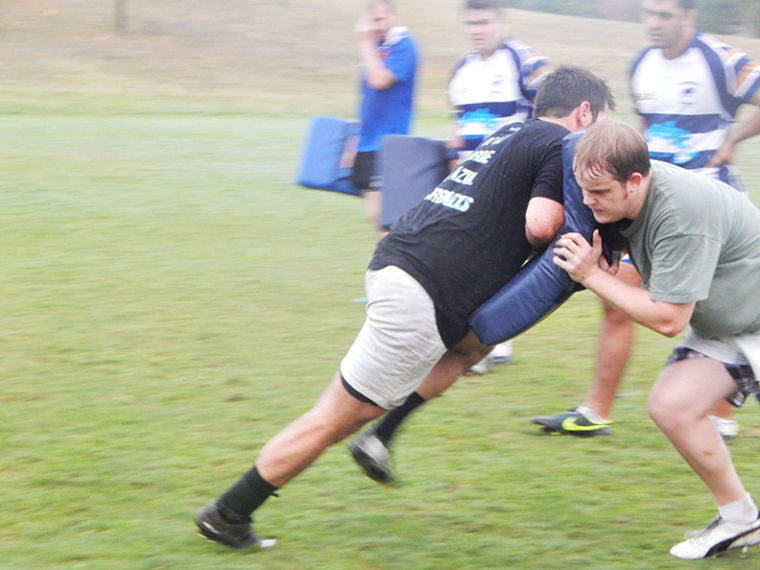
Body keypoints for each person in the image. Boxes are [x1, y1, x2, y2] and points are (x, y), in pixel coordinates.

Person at [194, 66, 613, 548]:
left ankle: (382, 434)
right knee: (336, 416)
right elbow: (541, 226)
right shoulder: (556, 145)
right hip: (421, 294)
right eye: (599, 123)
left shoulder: (509, 131)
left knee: (470, 348)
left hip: (403, 263)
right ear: (584, 113)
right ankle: (229, 512)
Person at [532, 0, 760, 438]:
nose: (653, 24)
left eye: (664, 15)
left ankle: (719, 413)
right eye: (648, 13)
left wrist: (733, 136)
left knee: (717, 311)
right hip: (641, 206)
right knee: (616, 298)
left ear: (689, 16)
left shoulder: (721, 60)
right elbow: (637, 135)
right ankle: (596, 411)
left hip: (705, 215)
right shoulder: (643, 65)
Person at [553, 118, 760, 559]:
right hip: (732, 324)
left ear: (634, 180)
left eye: (600, 193)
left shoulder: (680, 212)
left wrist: (591, 275)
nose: (588, 203)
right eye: (583, 191)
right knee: (672, 406)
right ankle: (741, 521)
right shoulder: (631, 195)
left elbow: (668, 319)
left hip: (753, 317)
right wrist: (607, 274)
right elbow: (655, 275)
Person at [448, 0, 552, 374]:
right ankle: (491, 338)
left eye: (486, 21)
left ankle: (488, 340)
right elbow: (459, 126)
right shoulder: (461, 69)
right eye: (472, 22)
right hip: (469, 182)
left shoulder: (524, 61)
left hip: (511, 181)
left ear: (502, 22)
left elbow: (555, 108)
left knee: (491, 261)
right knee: (475, 260)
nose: (479, 29)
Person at [352, 0, 419, 236]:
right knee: (376, 218)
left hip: (389, 144)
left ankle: (389, 269)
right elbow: (365, 97)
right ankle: (388, 267)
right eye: (373, 20)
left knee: (385, 220)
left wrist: (365, 43)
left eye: (382, 19)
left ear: (394, 15)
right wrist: (353, 141)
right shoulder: (375, 49)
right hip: (366, 143)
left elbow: (379, 80)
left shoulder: (404, 45)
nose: (377, 26)